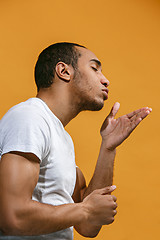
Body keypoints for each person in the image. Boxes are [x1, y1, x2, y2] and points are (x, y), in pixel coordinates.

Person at [0, 42, 152, 240]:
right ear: (64, 71)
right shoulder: (30, 117)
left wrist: (108, 148)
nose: (105, 80)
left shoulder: (62, 137)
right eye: (94, 68)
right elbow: (12, 216)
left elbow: (88, 226)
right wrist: (86, 210)